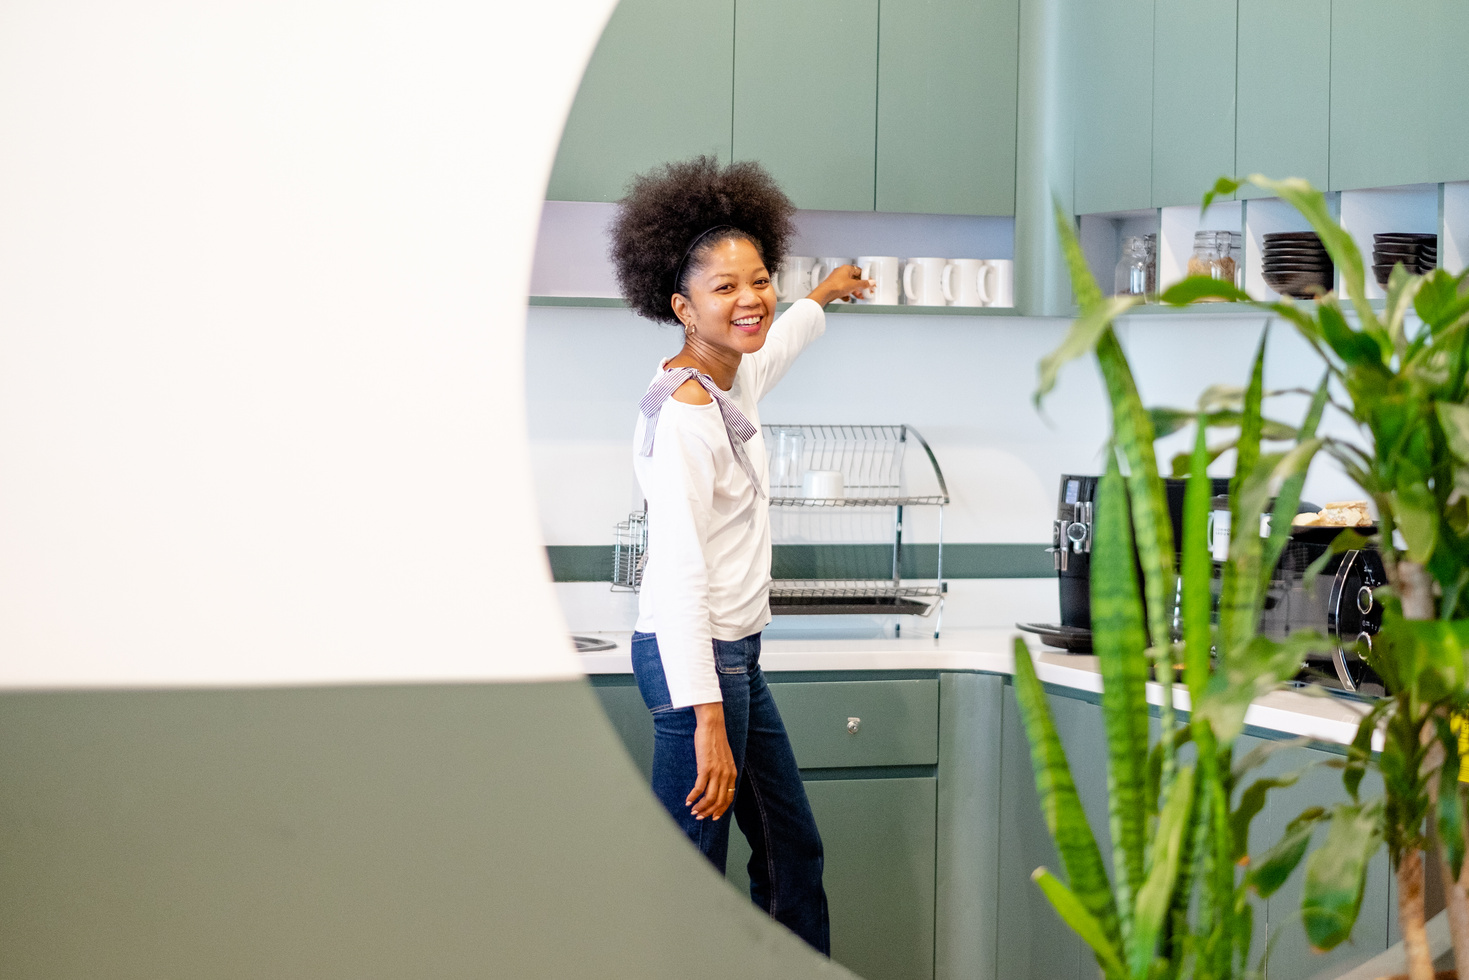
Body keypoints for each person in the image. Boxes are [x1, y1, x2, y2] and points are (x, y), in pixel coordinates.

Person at [608, 157, 869, 955]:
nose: (750, 299)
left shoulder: (727, 375)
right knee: (691, 872)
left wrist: (819, 299)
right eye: (725, 289)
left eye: (758, 279)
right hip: (700, 667)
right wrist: (706, 720)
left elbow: (773, 344)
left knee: (793, 856)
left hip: (733, 661)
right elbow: (680, 575)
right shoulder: (687, 415)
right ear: (682, 306)